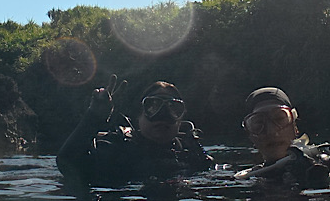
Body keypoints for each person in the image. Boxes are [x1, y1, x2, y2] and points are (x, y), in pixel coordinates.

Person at [57, 76, 214, 185]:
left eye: (174, 109)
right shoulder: (119, 149)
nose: (163, 116)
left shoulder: (191, 153)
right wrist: (94, 117)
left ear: (181, 118)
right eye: (152, 106)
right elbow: (67, 163)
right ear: (138, 116)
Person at [235, 87, 330, 188]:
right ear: (251, 136)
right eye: (258, 124)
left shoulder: (323, 164)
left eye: (280, 119)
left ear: (295, 127)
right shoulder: (249, 177)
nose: (272, 131)